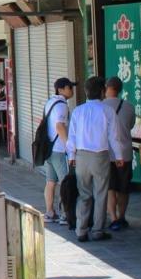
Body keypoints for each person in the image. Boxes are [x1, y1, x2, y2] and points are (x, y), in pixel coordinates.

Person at [66, 76, 130, 243]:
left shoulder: (78, 111)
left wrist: (71, 156)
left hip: (81, 156)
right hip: (100, 156)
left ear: (86, 92)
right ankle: (97, 230)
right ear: (102, 91)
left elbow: (71, 136)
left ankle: (81, 230)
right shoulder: (107, 111)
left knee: (84, 194)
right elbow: (113, 137)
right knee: (100, 194)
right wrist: (119, 157)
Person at [39, 78, 74, 224]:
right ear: (60, 89)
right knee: (64, 182)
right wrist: (69, 145)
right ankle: (65, 214)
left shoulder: (50, 102)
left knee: (50, 182)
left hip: (49, 149)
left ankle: (49, 212)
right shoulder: (61, 106)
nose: (71, 90)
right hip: (59, 149)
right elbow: (60, 126)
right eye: (69, 87)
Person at [104, 77, 136, 231]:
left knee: (110, 187)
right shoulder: (129, 107)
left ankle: (113, 218)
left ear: (106, 88)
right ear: (121, 89)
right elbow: (130, 126)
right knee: (123, 187)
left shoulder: (101, 107)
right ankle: (122, 217)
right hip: (125, 153)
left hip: (107, 153)